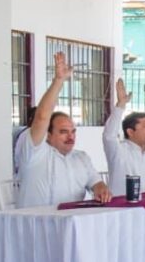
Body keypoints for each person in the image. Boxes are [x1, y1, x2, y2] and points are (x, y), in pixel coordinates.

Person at [15, 52, 112, 208]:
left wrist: (102, 190)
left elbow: (97, 183)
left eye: (73, 131)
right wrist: (58, 81)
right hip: (36, 226)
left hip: (71, 224)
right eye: (63, 132)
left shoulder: (82, 158)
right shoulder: (34, 153)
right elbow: (41, 117)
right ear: (48, 135)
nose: (70, 137)